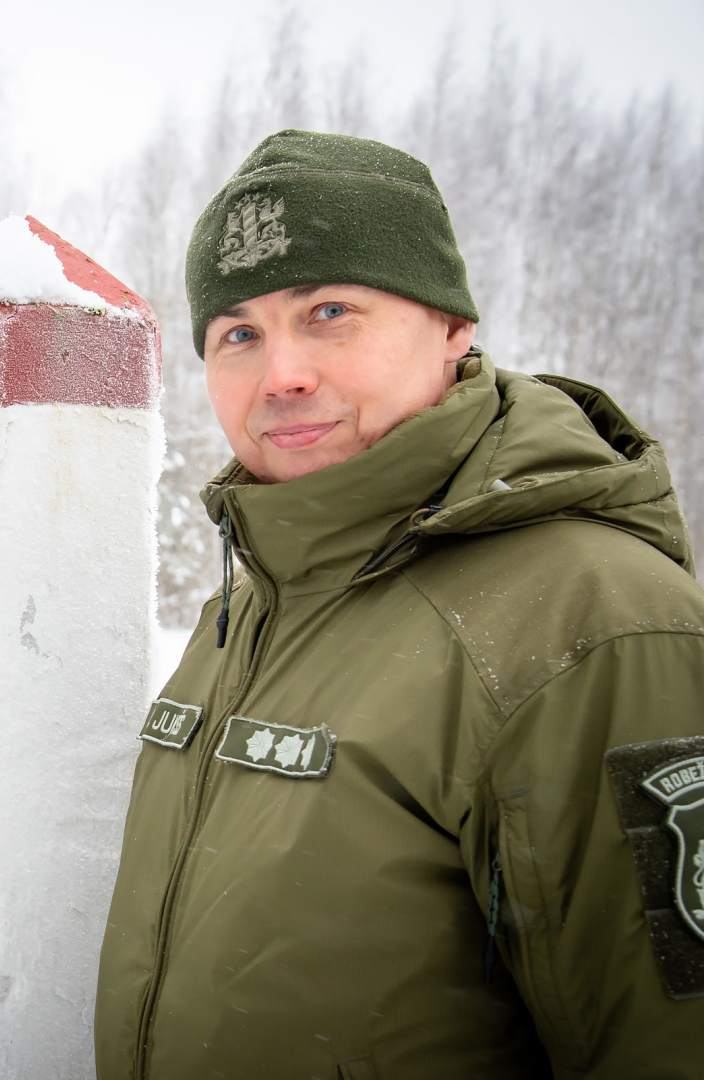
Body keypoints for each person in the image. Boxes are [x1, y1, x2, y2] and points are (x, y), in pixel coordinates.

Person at [95, 130, 704, 1078]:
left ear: (452, 326)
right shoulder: (255, 602)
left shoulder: (597, 622)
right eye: (239, 334)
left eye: (330, 312)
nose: (282, 375)